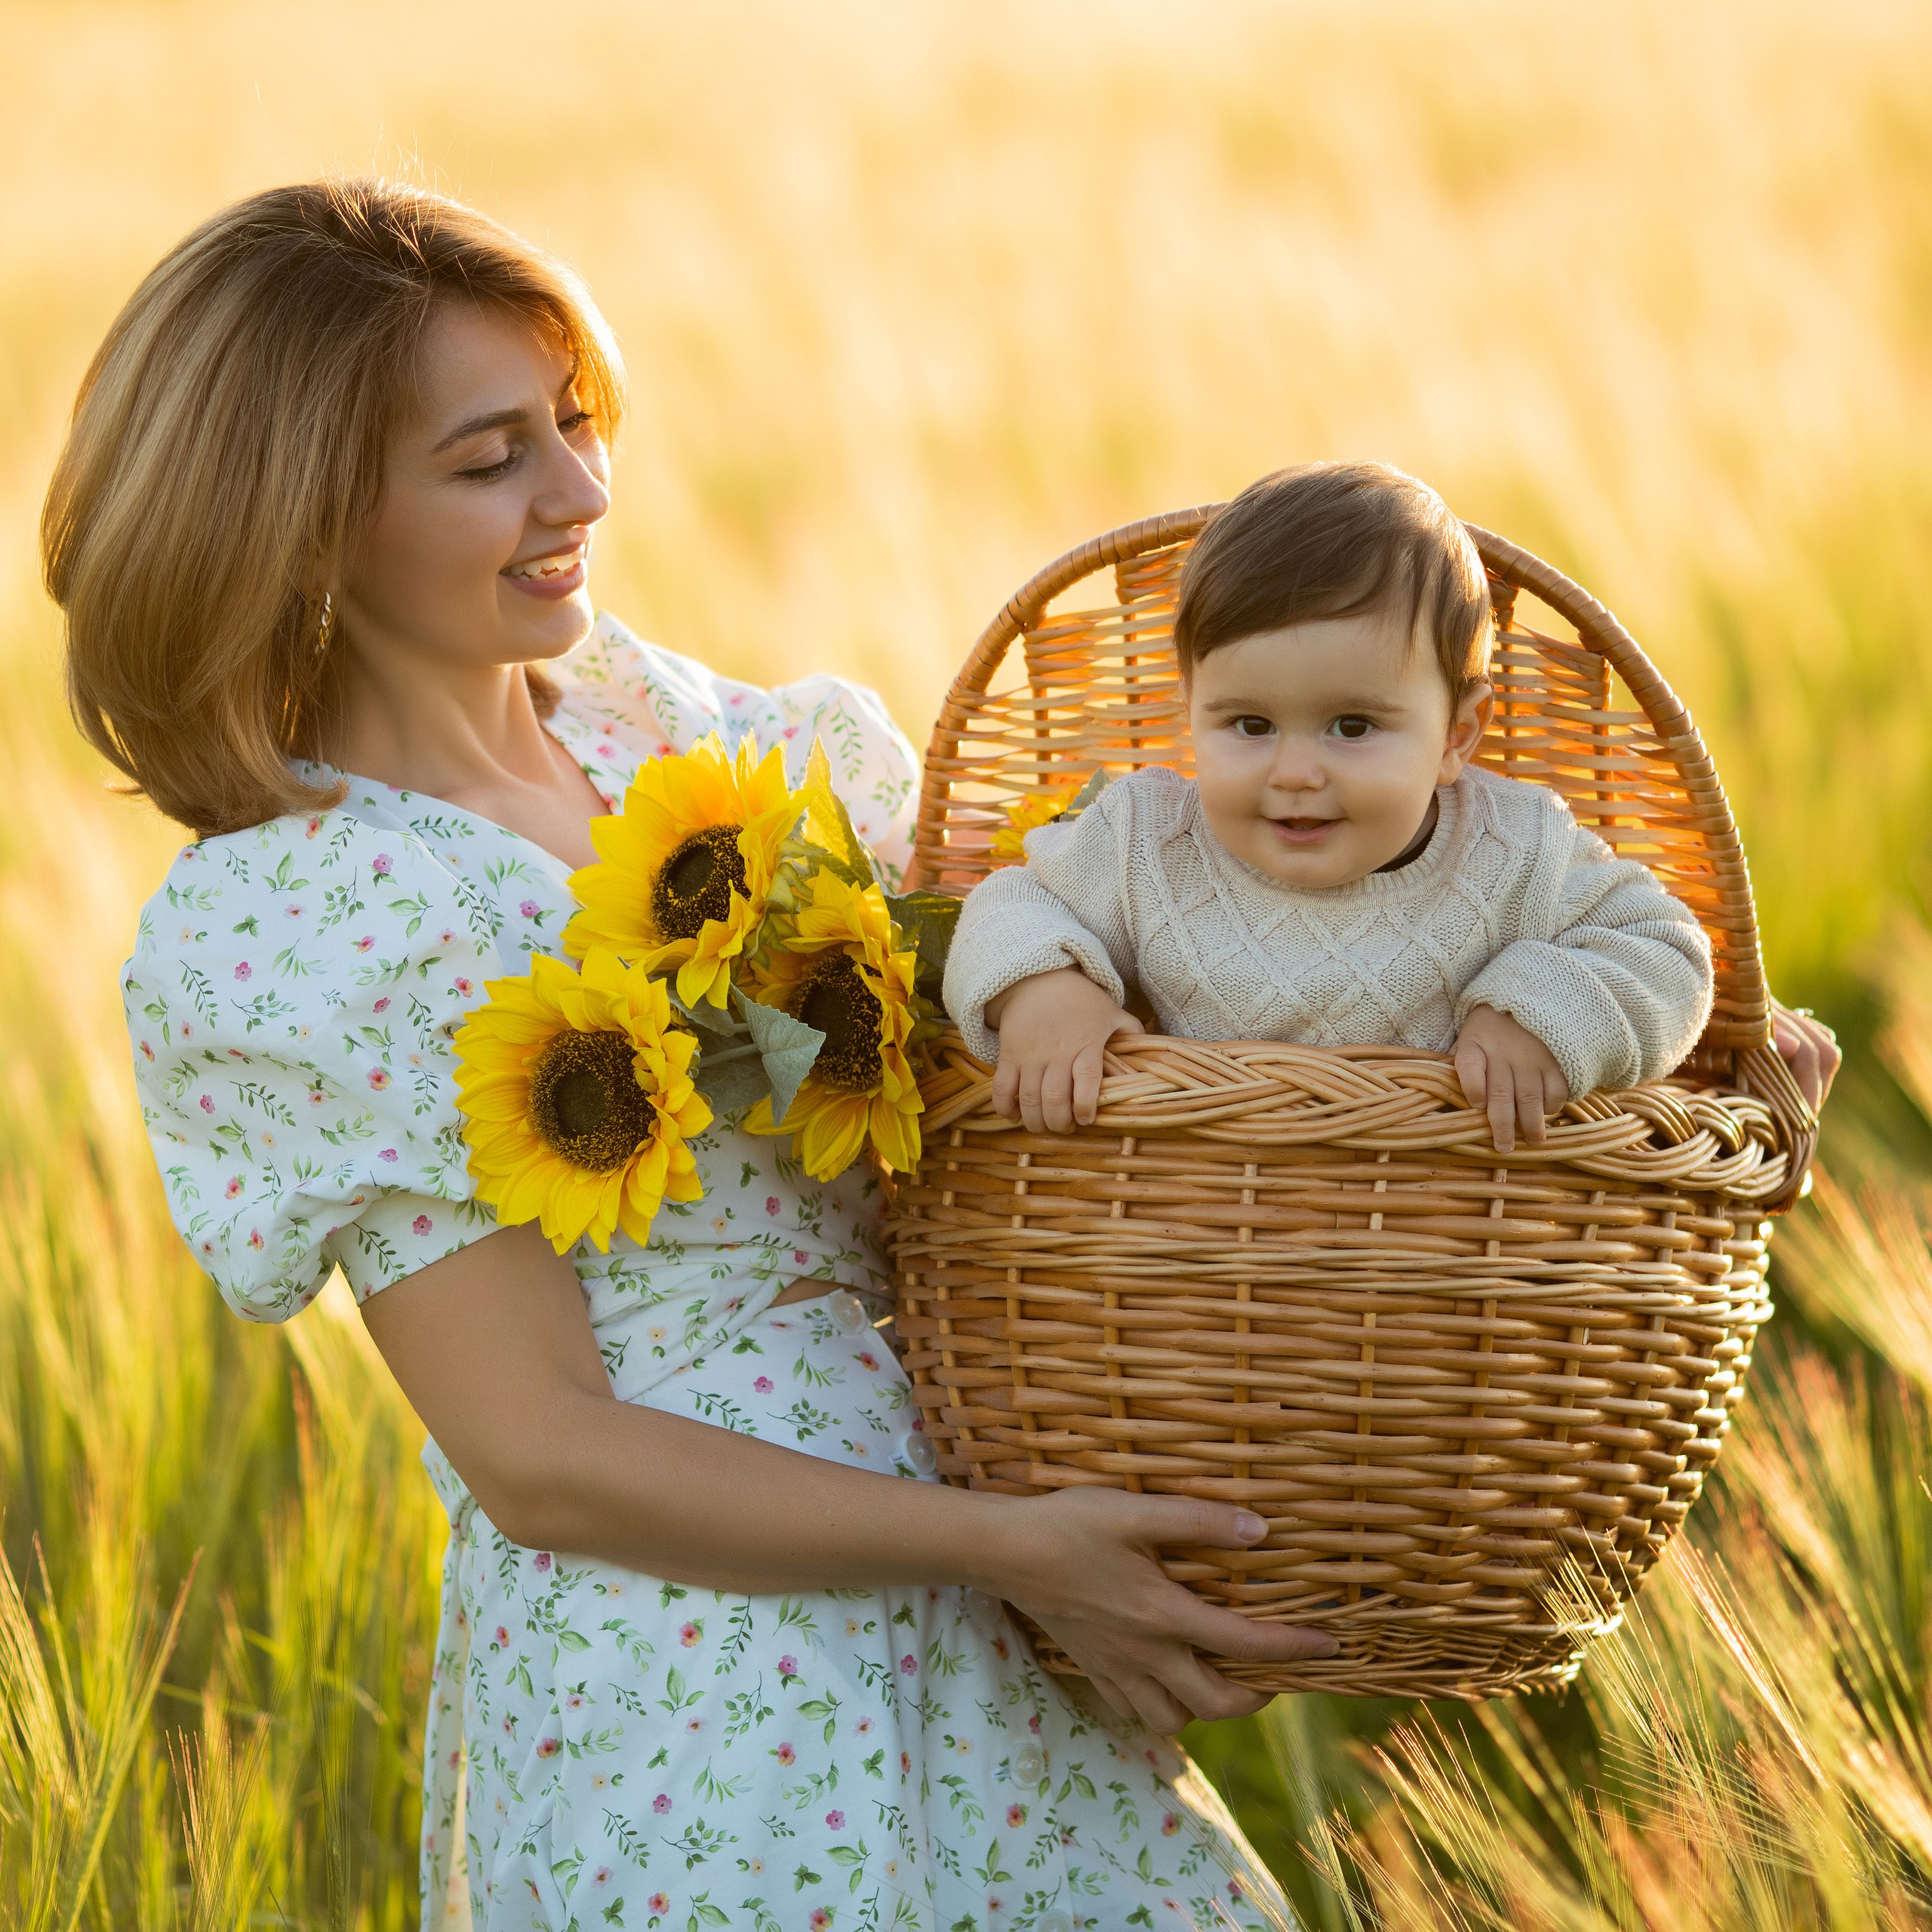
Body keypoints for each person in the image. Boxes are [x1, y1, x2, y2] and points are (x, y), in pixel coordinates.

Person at [53, 178, 1336, 1932]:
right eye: (489, 455)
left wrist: (1625, 1048)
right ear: (303, 527)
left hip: (988, 1614)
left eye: (575, 422)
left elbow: (1082, 1043)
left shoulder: (711, 745)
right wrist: (1003, 1546)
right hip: (695, 1706)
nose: (579, 491)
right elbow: (543, 1452)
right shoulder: (305, 927)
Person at [949, 462, 1715, 1146]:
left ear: (1457, 734)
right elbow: (1008, 900)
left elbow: (1668, 950)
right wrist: (1040, 990)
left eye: (1352, 726)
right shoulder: (1144, 840)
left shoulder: (1515, 851)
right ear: (1192, 710)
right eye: (1249, 725)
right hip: (1180, 1246)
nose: (1294, 772)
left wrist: (1545, 1012)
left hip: (1442, 1255)